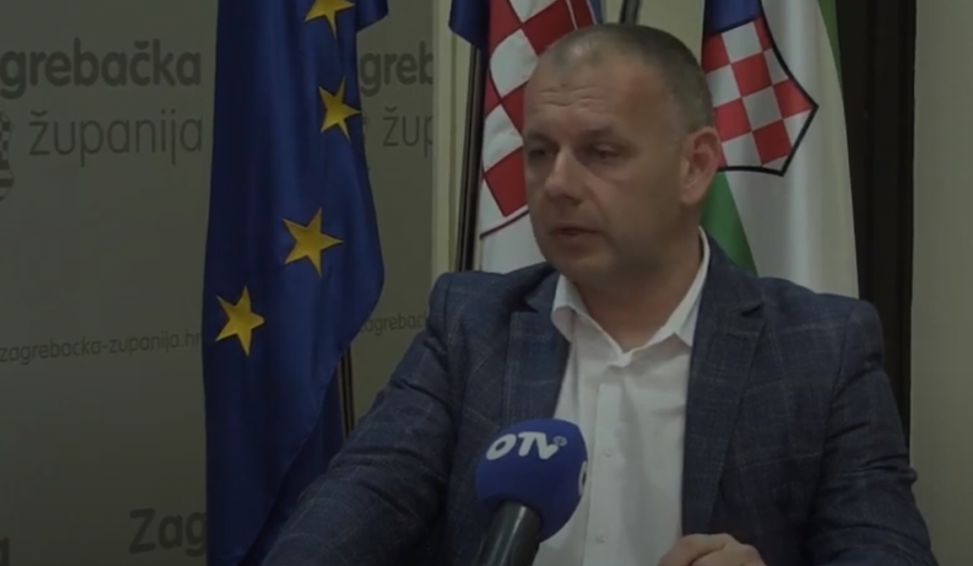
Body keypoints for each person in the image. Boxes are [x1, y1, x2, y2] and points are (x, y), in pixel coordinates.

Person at [261, 23, 936, 566]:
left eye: (601, 152)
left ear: (695, 165)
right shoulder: (471, 327)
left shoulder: (821, 350)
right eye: (539, 152)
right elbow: (356, 507)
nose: (557, 184)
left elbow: (885, 549)